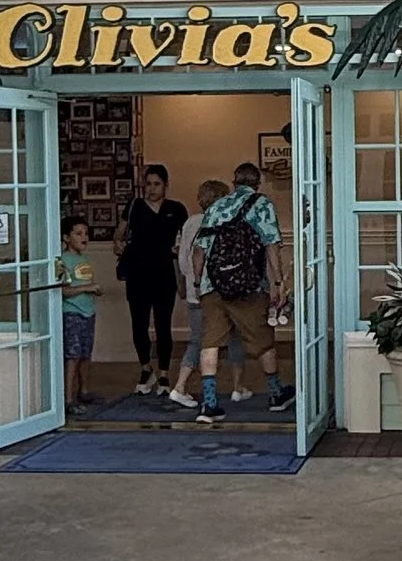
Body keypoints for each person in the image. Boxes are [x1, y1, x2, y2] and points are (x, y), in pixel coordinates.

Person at [189, 159, 291, 426]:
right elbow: (271, 246)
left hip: (215, 286)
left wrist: (199, 282)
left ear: (233, 183)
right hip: (249, 286)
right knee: (263, 340)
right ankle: (276, 393)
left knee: (209, 342)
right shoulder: (261, 204)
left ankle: (209, 403)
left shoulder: (216, 206)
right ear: (257, 183)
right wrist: (277, 284)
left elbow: (199, 250)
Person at [116, 162, 188, 399]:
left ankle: (165, 372)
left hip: (164, 272)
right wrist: (119, 244)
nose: (152, 188)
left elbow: (186, 240)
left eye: (157, 184)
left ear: (166, 185)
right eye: (148, 184)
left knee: (162, 324)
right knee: (138, 323)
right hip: (138, 272)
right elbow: (120, 233)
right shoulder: (135, 206)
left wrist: (182, 273)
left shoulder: (176, 209)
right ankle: (146, 368)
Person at [163, 178, 226, 416]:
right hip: (208, 290)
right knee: (204, 341)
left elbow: (180, 256)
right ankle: (182, 386)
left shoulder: (190, 222)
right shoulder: (215, 222)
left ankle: (191, 387)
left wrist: (185, 281)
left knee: (199, 338)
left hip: (192, 288)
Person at [56, 214, 100, 409]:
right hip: (72, 313)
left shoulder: (85, 259)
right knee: (72, 356)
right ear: (66, 238)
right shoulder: (62, 261)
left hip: (88, 312)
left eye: (86, 233)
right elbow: (64, 291)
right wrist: (87, 288)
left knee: (85, 354)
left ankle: (84, 391)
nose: (84, 237)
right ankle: (68, 399)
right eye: (78, 234)